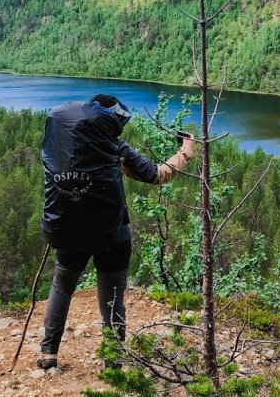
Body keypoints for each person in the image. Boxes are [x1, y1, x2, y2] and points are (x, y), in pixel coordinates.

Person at [37, 93, 195, 370]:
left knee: (61, 287)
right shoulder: (115, 148)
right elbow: (156, 175)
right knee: (112, 297)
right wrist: (186, 152)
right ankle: (113, 364)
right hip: (112, 233)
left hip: (68, 228)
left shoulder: (57, 145)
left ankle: (49, 353)